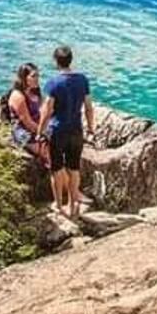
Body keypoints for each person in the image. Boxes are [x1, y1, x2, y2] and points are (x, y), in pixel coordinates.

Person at [36, 45, 95, 219]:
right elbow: (89, 107)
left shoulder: (53, 83)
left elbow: (47, 110)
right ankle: (74, 203)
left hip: (58, 131)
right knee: (74, 168)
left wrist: (40, 131)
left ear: (56, 61)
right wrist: (91, 128)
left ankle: (59, 206)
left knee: (56, 169)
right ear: (71, 59)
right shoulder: (82, 80)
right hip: (76, 130)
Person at [5, 62, 48, 163]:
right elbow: (28, 123)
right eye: (33, 76)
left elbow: (43, 112)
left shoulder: (35, 92)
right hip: (25, 132)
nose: (37, 78)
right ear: (24, 78)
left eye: (38, 75)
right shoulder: (18, 96)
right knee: (51, 151)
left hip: (38, 128)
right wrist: (45, 133)